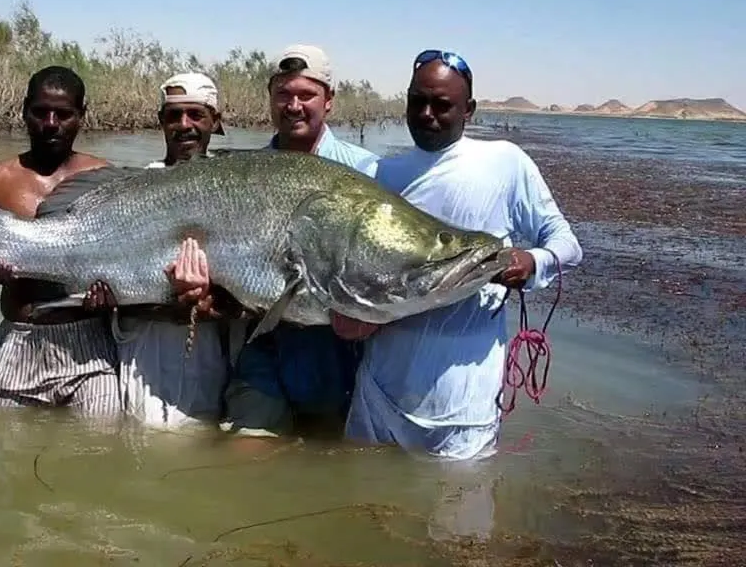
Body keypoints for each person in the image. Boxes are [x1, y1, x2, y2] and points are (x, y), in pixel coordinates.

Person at [340, 49, 584, 460]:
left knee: (460, 518)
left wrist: (530, 262)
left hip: (463, 398)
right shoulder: (381, 175)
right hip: (380, 388)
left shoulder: (504, 162)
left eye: (442, 104)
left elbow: (566, 244)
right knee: (364, 506)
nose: (428, 114)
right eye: (418, 101)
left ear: (468, 109)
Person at [216, 44, 381, 439]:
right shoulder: (240, 174)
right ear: (270, 101)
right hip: (264, 352)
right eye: (283, 95)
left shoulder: (368, 171)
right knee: (243, 470)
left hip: (341, 361)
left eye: (306, 95)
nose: (293, 105)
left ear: (329, 102)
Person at [84, 72, 248, 432]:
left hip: (218, 353)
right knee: (152, 439)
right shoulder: (133, 189)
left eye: (195, 114)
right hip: (149, 352)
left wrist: (205, 301)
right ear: (160, 122)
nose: (184, 125)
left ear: (215, 122)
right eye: (173, 116)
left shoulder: (238, 186)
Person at [0, 65, 122, 417]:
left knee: (102, 447)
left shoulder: (105, 179)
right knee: (5, 455)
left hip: (89, 347)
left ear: (82, 116)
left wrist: (111, 299)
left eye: (63, 114)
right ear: (24, 110)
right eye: (40, 112)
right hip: (21, 337)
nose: (51, 123)